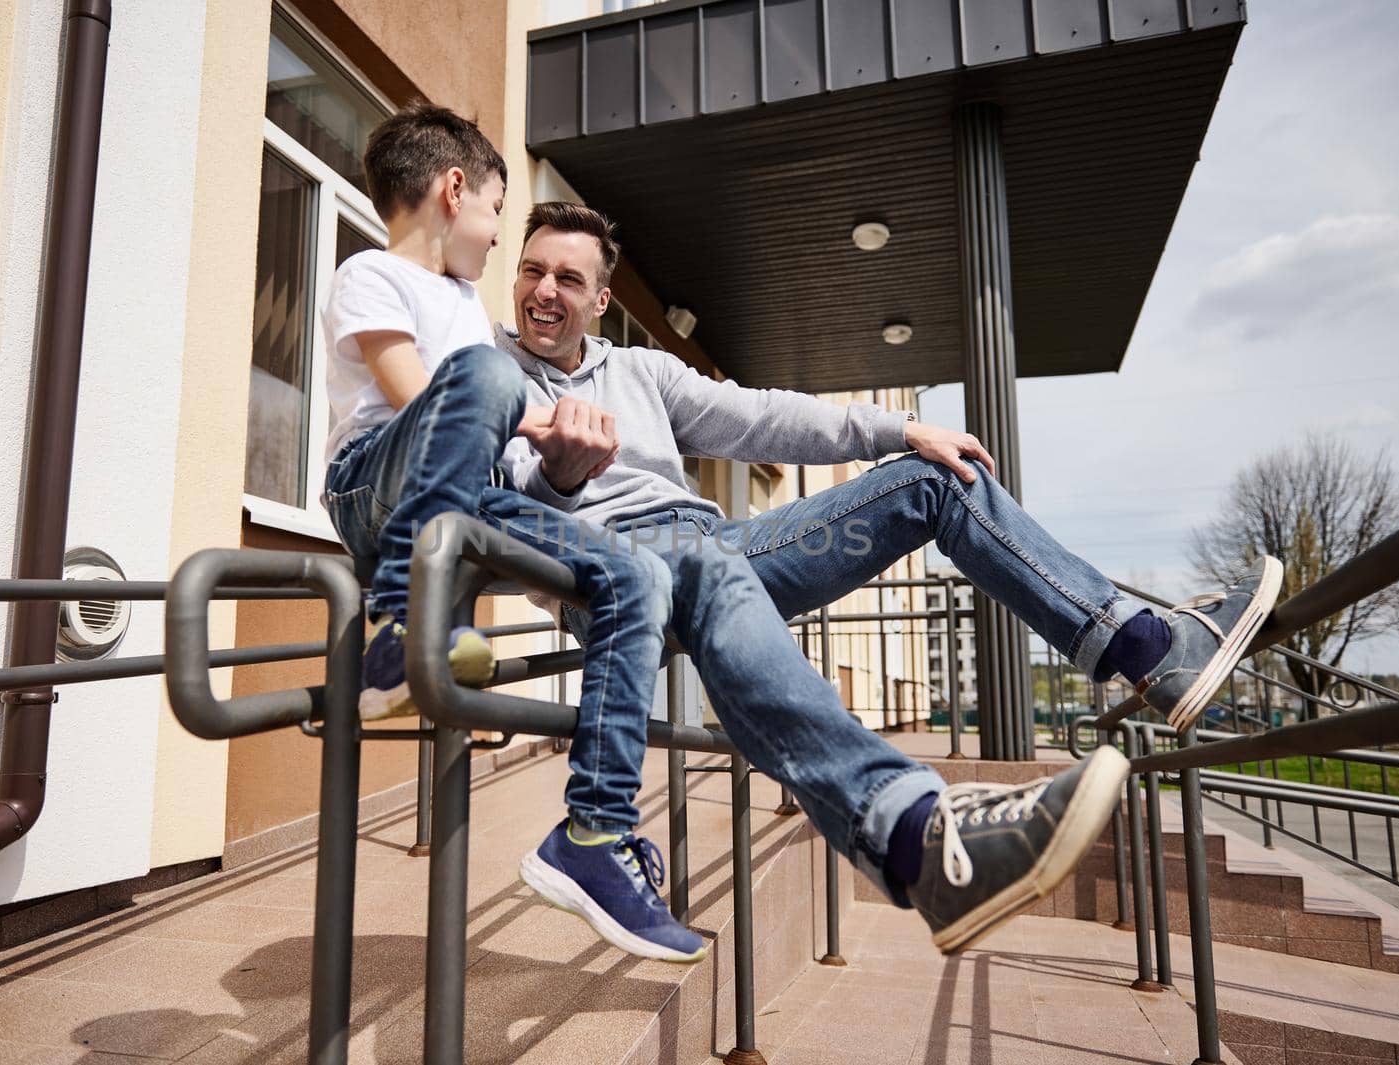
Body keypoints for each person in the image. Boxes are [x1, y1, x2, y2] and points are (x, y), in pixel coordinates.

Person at [500, 201, 1282, 953]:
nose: (543, 290)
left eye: (568, 279)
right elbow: (491, 507)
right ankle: (911, 834)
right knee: (706, 562)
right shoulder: (490, 375)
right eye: (532, 270)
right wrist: (561, 482)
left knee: (935, 480)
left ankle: (1143, 647)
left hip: (714, 540)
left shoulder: (640, 371)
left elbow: (763, 417)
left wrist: (902, 427)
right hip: (609, 572)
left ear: (601, 298)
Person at [320, 109, 706, 962]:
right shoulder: (372, 275)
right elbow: (424, 401)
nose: (498, 242)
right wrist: (535, 415)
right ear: (455, 193)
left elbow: (486, 421)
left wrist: (565, 437)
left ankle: (597, 835)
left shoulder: (463, 302)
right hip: (377, 489)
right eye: (498, 213)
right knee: (486, 373)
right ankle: (394, 626)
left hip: (467, 500)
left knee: (635, 573)